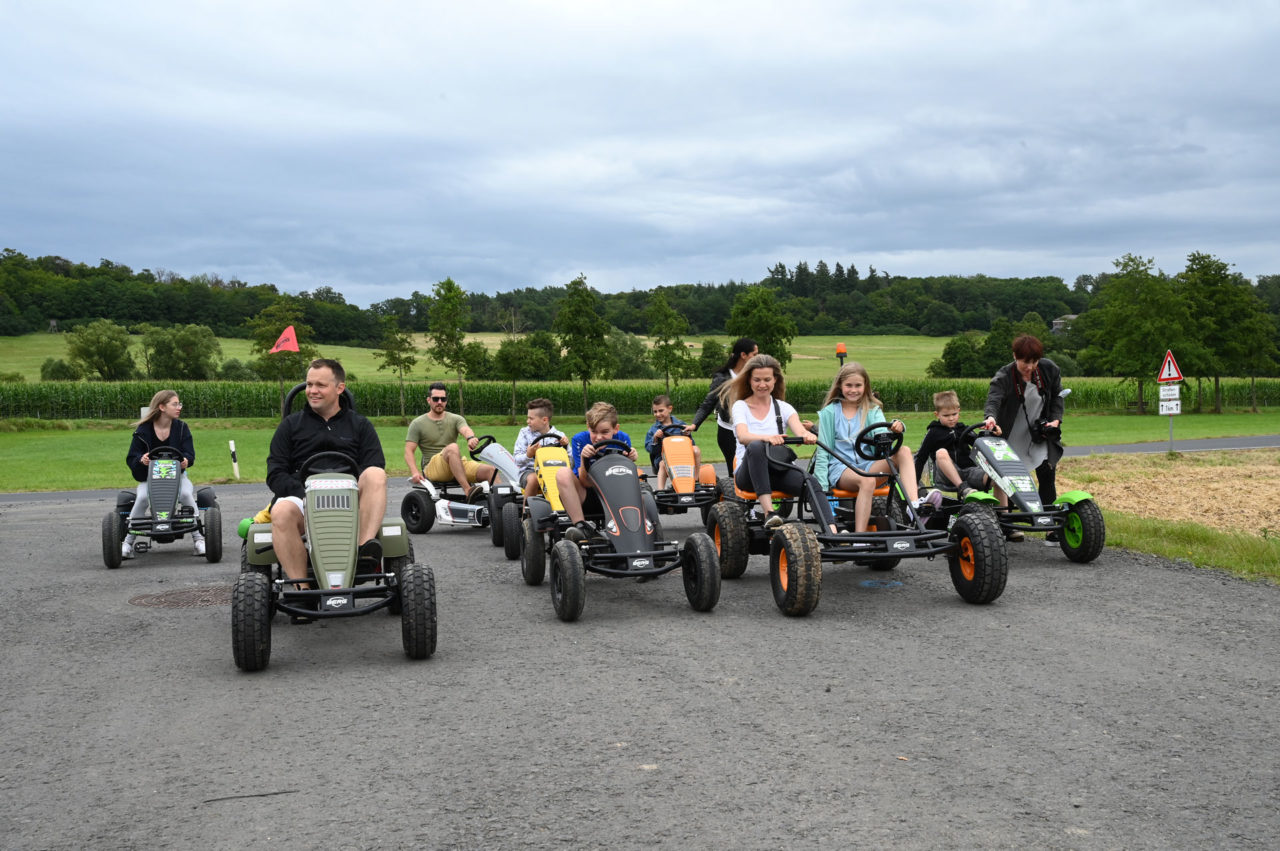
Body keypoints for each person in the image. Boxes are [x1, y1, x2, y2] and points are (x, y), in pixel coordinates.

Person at [267, 358, 387, 587]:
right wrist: (303, 492)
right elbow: (275, 472)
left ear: (339, 388)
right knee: (281, 511)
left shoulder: (360, 425)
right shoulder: (290, 425)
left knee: (376, 475)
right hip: (302, 496)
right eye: (309, 384)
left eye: (320, 385)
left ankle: (364, 549)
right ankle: (301, 589)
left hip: (350, 497)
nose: (312, 391)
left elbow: (375, 465)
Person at [812, 362, 934, 534]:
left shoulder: (872, 410)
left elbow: (881, 438)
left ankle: (913, 505)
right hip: (841, 468)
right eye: (849, 385)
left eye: (858, 386)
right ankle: (860, 538)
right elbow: (823, 450)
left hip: (868, 464)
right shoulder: (830, 413)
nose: (853, 390)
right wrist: (822, 486)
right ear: (840, 385)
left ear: (865, 386)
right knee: (867, 480)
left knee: (904, 451)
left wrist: (896, 428)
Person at [724, 354, 835, 532]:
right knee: (756, 446)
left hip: (778, 469)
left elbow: (799, 430)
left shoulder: (783, 407)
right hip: (749, 474)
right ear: (749, 381)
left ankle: (832, 534)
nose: (762, 385)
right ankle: (770, 513)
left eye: (767, 379)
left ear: (775, 380)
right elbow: (743, 436)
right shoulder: (741, 406)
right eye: (757, 380)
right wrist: (767, 437)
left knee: (811, 483)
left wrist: (807, 435)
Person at [982, 335, 1065, 540]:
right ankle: (1007, 525)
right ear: (1014, 356)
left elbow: (1057, 398)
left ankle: (1050, 525)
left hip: (1037, 432)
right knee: (1007, 478)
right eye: (1025, 362)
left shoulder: (1049, 370)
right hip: (1009, 432)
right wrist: (991, 418)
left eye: (1034, 361)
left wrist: (1055, 420)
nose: (1030, 366)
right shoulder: (1003, 376)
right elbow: (993, 399)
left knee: (1047, 473)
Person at [122, 389, 203, 558]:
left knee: (186, 495)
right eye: (175, 404)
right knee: (143, 497)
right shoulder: (143, 430)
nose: (179, 407)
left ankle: (199, 540)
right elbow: (132, 456)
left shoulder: (181, 428)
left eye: (179, 404)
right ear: (162, 407)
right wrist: (141, 459)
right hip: (150, 479)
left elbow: (190, 454)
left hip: (178, 478)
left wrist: (186, 461)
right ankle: (127, 544)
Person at [404, 381, 495, 502]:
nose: (440, 402)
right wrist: (415, 472)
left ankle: (501, 507)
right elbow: (408, 451)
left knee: (491, 471)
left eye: (443, 399)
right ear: (428, 400)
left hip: (456, 462)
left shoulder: (455, 418)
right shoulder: (417, 423)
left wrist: (471, 438)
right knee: (453, 447)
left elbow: (465, 429)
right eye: (436, 399)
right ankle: (468, 491)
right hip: (433, 467)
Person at [559, 402, 637, 541]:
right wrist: (584, 459)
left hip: (616, 495)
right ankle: (581, 527)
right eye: (594, 432)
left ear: (615, 429)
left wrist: (630, 460)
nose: (599, 437)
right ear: (588, 427)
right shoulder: (579, 440)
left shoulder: (623, 438)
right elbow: (584, 482)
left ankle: (641, 527)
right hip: (587, 495)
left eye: (605, 432)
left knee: (642, 483)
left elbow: (625, 477)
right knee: (562, 473)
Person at [685, 337, 758, 473]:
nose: (757, 358)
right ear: (743, 355)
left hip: (751, 430)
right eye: (754, 354)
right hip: (728, 431)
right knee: (735, 471)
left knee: (754, 468)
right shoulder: (722, 377)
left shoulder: (754, 376)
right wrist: (695, 424)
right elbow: (709, 402)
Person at [913, 390, 988, 499]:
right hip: (946, 476)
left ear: (959, 411)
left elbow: (981, 445)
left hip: (969, 472)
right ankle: (963, 488)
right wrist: (915, 482)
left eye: (954, 414)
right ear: (937, 414)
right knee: (941, 452)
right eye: (946, 415)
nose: (951, 418)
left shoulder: (964, 429)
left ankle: (1004, 512)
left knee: (996, 478)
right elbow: (920, 458)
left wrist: (987, 433)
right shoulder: (933, 433)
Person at [512, 397, 566, 498]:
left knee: (568, 478)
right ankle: (527, 511)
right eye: (528, 418)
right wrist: (528, 455)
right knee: (534, 479)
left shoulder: (559, 436)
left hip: (553, 472)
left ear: (544, 420)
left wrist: (564, 446)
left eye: (531, 418)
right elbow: (516, 459)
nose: (528, 421)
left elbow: (569, 460)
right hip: (529, 472)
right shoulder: (524, 433)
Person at [645, 394, 699, 491]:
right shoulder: (654, 430)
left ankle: (696, 480)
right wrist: (655, 439)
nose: (657, 414)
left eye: (661, 411)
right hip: (663, 457)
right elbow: (649, 449)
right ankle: (660, 490)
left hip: (683, 456)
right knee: (663, 463)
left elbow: (691, 444)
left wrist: (687, 435)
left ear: (670, 409)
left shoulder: (681, 425)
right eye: (655, 412)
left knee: (696, 450)